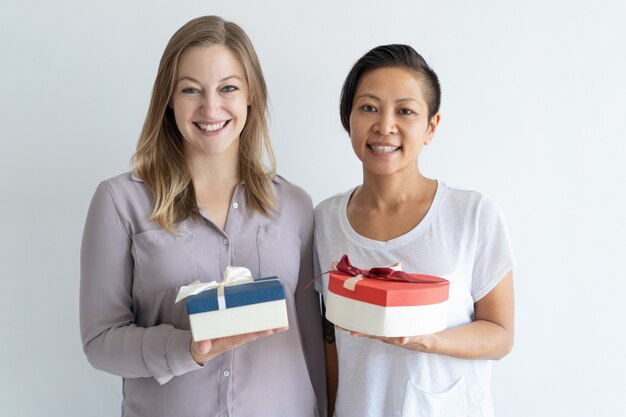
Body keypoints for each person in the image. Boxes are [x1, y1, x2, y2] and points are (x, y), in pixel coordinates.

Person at [80, 16, 325, 417]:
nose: (211, 107)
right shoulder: (119, 201)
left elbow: (309, 342)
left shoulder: (295, 205)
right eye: (191, 89)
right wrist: (186, 348)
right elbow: (100, 342)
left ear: (251, 96)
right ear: (169, 99)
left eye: (228, 87)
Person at [314, 44, 515, 417]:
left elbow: (501, 336)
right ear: (348, 119)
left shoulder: (472, 214)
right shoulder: (324, 219)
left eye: (405, 111)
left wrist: (427, 340)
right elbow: (331, 340)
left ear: (431, 127)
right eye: (369, 108)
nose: (385, 126)